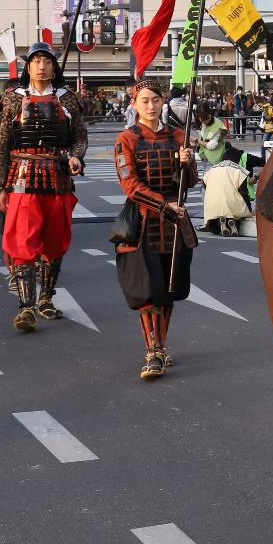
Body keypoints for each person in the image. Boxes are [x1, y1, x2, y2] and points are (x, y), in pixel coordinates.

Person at [0, 42, 87, 332]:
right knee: (23, 240)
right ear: (28, 66)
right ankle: (25, 308)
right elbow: (2, 145)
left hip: (57, 175)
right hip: (22, 175)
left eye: (47, 61)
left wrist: (75, 156)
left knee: (55, 240)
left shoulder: (67, 99)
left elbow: (79, 137)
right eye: (36, 61)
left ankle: (46, 297)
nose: (42, 66)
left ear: (55, 67)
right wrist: (1, 185)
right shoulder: (13, 99)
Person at [112, 81, 197, 378]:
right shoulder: (127, 139)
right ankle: (154, 351)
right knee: (149, 291)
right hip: (144, 222)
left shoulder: (177, 136)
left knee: (169, 288)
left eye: (155, 100)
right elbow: (130, 185)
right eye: (144, 101)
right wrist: (164, 205)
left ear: (163, 103)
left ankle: (160, 347)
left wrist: (187, 162)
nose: (150, 106)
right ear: (134, 104)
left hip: (174, 222)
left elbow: (189, 183)